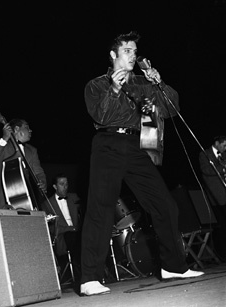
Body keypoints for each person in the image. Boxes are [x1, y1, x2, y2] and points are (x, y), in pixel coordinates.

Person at [81, 31, 203, 296]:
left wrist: (160, 84)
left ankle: (174, 266)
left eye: (135, 51)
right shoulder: (97, 84)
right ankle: (89, 278)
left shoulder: (142, 83)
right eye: (127, 51)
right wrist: (114, 89)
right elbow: (102, 116)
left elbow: (171, 109)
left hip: (137, 147)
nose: (133, 56)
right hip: (108, 144)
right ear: (113, 55)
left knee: (165, 204)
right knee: (100, 209)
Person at [0, 118, 47, 210]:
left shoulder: (32, 150)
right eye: (27, 127)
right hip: (3, 203)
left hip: (26, 202)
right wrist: (4, 138)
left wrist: (42, 181)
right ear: (16, 129)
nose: (30, 130)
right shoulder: (1, 143)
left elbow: (39, 172)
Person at [41, 173, 82, 282]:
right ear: (55, 187)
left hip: (77, 232)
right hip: (63, 237)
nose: (65, 186)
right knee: (73, 237)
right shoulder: (47, 203)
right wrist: (72, 229)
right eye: (62, 184)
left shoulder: (74, 197)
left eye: (67, 184)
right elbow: (51, 229)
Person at [198, 135, 226, 260]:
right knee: (221, 226)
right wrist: (223, 168)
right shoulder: (204, 154)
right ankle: (222, 254)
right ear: (216, 143)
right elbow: (206, 171)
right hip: (217, 196)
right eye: (224, 145)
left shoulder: (223, 154)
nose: (225, 148)